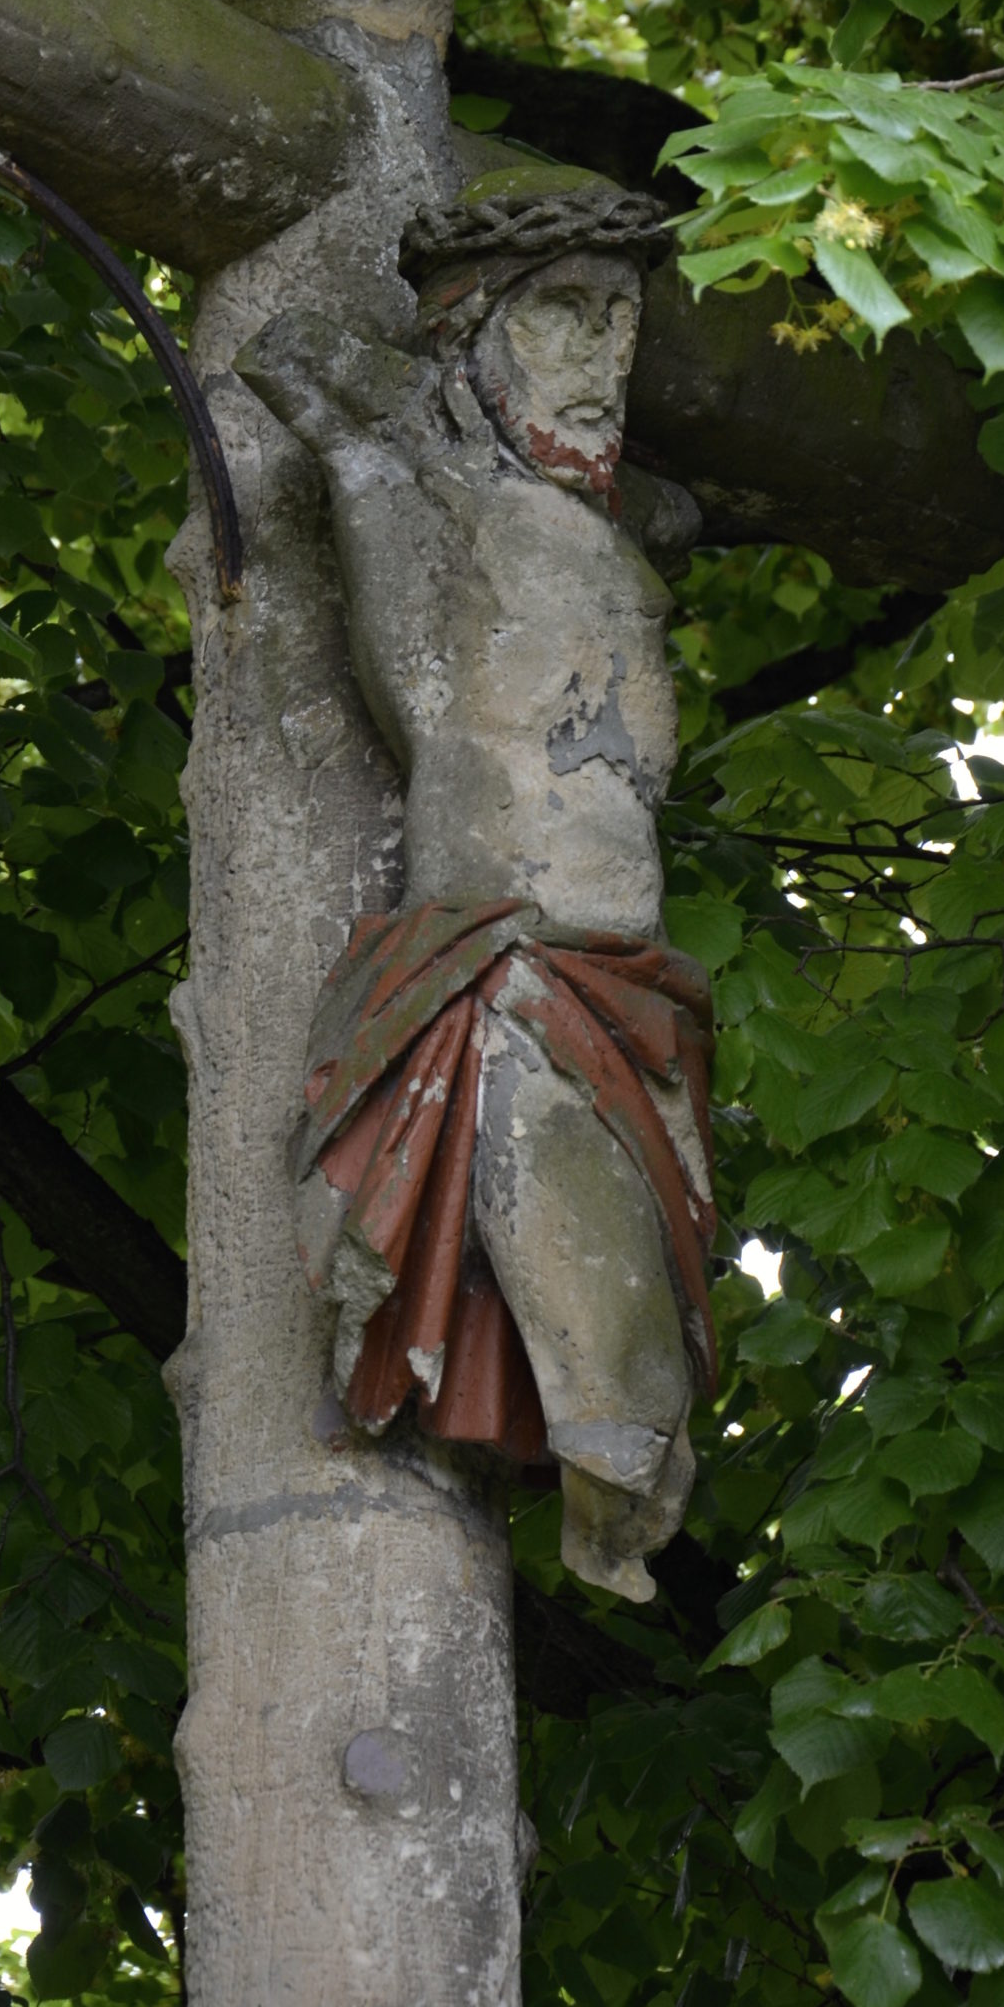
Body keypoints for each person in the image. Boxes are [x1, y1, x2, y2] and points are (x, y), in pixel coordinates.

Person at [237, 176, 716, 1600]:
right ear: (469, 332)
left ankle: (599, 1488)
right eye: (561, 316)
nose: (601, 362)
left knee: (647, 1383)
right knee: (622, 1403)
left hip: (637, 999)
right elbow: (297, 366)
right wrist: (391, 426)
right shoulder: (419, 483)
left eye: (620, 326)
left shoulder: (624, 534)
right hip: (510, 984)